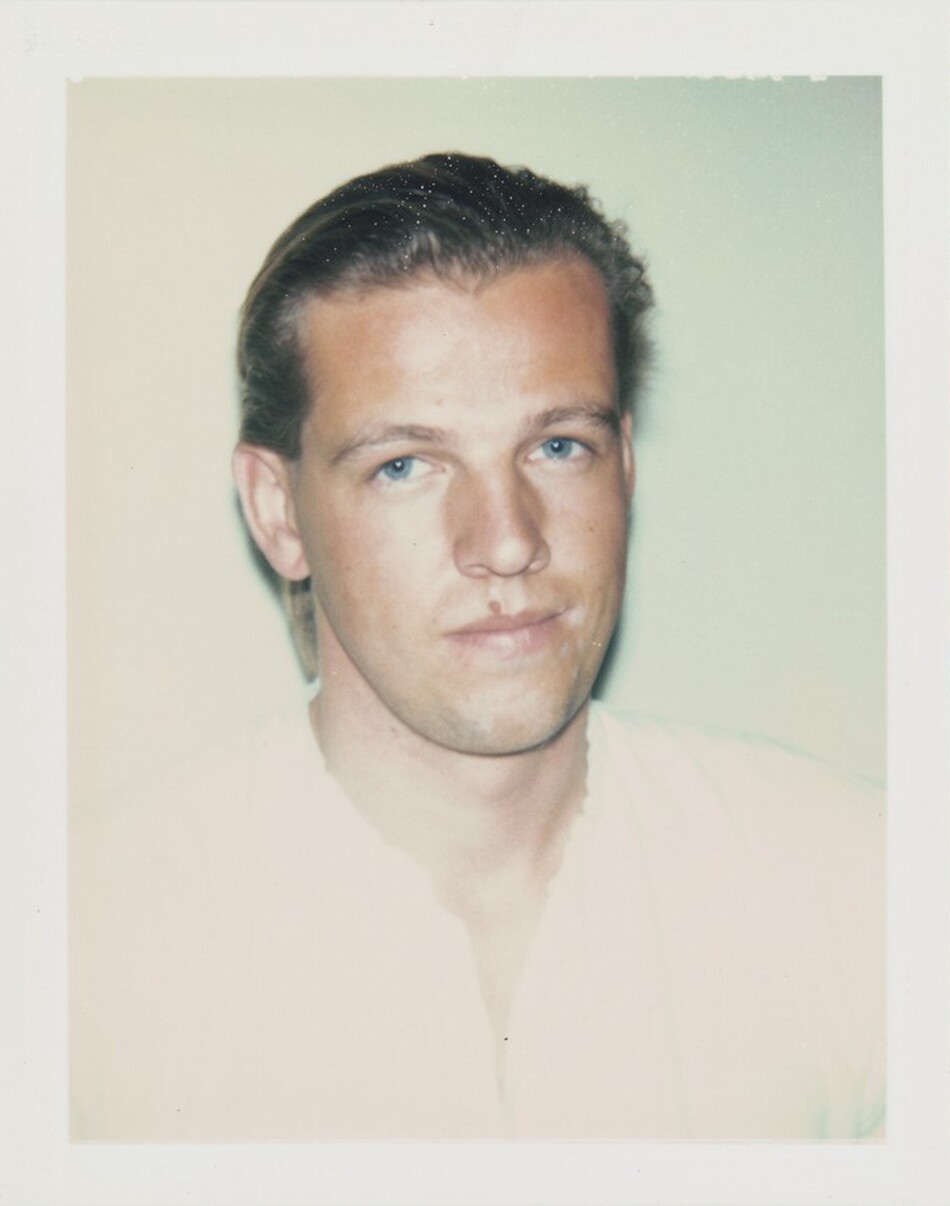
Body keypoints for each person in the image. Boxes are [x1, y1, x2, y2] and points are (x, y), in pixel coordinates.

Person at [69, 152, 884, 1142]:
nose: (505, 541)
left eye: (557, 447)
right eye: (404, 465)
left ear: (625, 468)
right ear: (278, 511)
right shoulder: (84, 948)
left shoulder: (856, 885)